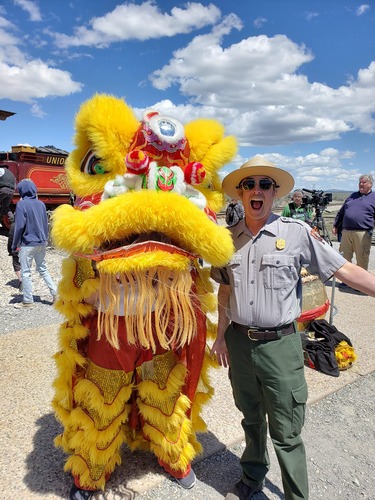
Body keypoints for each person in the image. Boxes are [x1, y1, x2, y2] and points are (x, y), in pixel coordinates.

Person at [210, 155, 375, 500]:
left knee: (286, 430)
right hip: (239, 343)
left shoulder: (296, 233)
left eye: (265, 184)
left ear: (275, 194)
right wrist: (219, 337)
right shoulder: (225, 241)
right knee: (250, 419)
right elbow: (225, 290)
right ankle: (251, 479)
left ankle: (296, 496)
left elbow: (344, 271)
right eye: (249, 184)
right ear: (240, 193)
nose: (257, 190)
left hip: (281, 346)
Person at [12, 179, 57, 308]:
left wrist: (15, 244)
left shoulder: (22, 205)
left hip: (28, 243)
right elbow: (45, 224)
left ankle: (27, 301)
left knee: (26, 272)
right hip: (42, 242)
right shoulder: (41, 204)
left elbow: (19, 227)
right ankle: (55, 294)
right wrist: (45, 239)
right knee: (43, 269)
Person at [332, 174, 375, 271]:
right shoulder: (352, 196)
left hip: (363, 233)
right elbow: (341, 212)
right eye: (360, 182)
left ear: (370, 184)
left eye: (364, 182)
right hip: (346, 232)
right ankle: (347, 280)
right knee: (344, 257)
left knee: (362, 258)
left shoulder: (374, 197)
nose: (361, 184)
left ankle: (360, 282)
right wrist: (335, 225)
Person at [7, 215, 23, 291]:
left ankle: (21, 280)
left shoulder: (14, 225)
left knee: (16, 264)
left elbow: (11, 238)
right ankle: (26, 280)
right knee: (25, 263)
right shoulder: (26, 224)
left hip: (16, 247)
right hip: (26, 247)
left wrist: (9, 249)